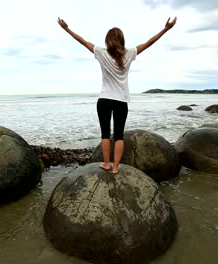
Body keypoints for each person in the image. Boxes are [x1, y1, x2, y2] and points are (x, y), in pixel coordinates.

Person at [57, 16, 177, 174]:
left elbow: (82, 40)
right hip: (121, 101)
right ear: (122, 40)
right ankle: (115, 167)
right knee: (119, 135)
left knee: (105, 134)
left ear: (107, 41)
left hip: (104, 100)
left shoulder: (101, 52)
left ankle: (106, 163)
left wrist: (66, 28)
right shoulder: (130, 53)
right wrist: (166, 29)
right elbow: (149, 42)